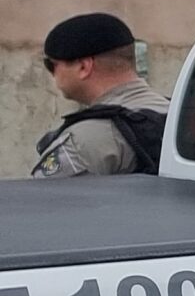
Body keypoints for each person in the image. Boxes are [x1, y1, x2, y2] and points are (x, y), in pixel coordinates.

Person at [32, 12, 170, 178]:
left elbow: (40, 201)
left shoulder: (83, 142)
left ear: (84, 67)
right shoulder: (179, 117)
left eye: (51, 65)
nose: (53, 74)